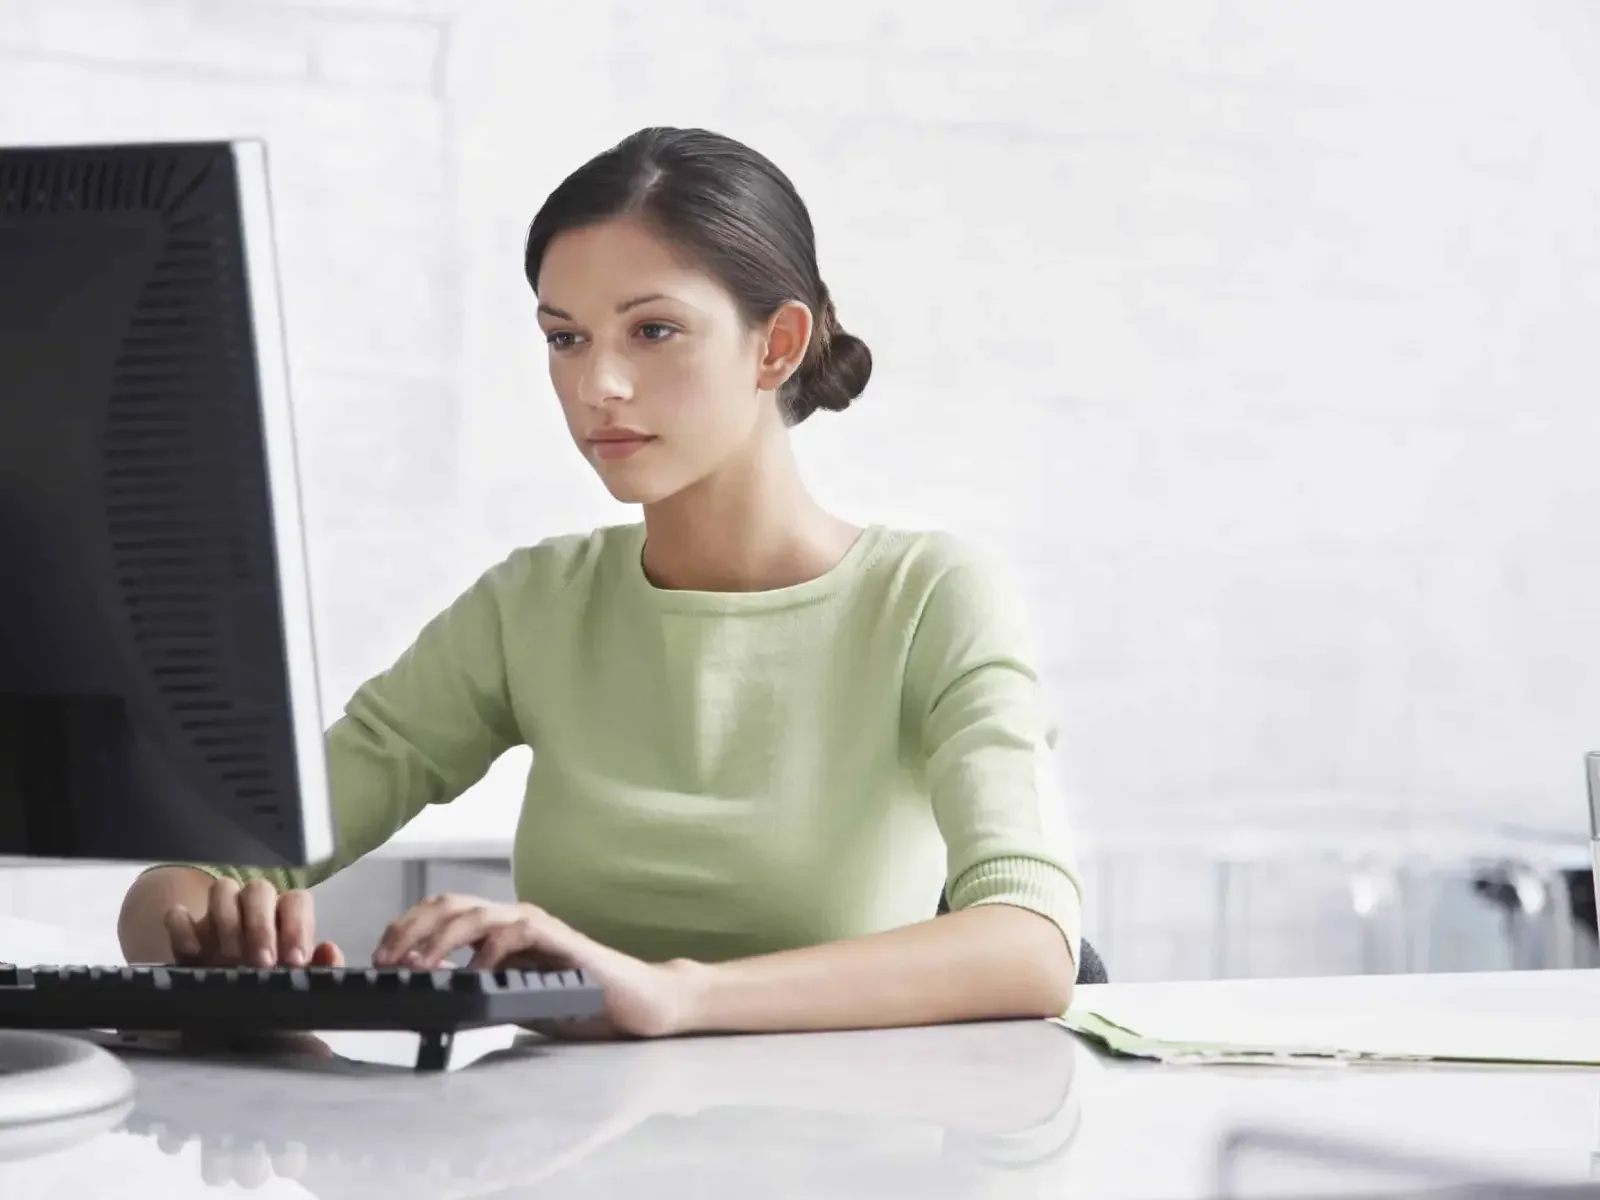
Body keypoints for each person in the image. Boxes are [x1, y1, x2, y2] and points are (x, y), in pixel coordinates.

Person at [117, 126, 1084, 1039]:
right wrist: (210, 932)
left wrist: (671, 994)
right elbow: (192, 874)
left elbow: (1032, 945)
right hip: (574, 1144)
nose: (597, 387)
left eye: (653, 331)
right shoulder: (537, 604)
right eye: (565, 337)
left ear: (778, 345)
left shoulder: (929, 598)